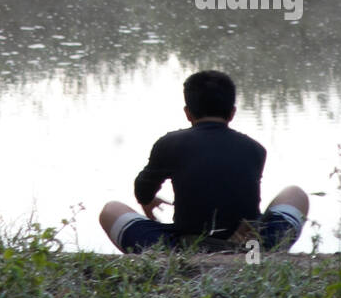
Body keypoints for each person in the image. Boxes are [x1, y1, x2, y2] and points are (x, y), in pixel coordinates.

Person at [100, 69, 308, 253]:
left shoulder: (170, 143)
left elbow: (142, 190)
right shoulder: (254, 148)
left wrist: (148, 203)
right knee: (295, 193)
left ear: (187, 113)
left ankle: (175, 255)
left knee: (111, 210)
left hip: (184, 247)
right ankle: (251, 251)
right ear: (232, 113)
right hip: (249, 245)